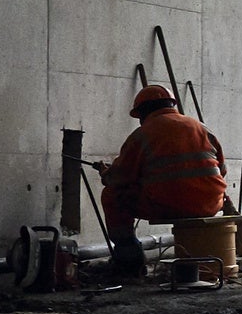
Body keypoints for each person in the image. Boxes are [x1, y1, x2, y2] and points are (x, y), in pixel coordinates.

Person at [93, 83, 229, 282]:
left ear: (142, 112)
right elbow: (222, 170)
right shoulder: (201, 128)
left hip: (167, 206)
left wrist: (106, 174)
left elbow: (119, 178)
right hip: (210, 204)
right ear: (171, 105)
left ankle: (130, 262)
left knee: (112, 196)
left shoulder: (142, 135)